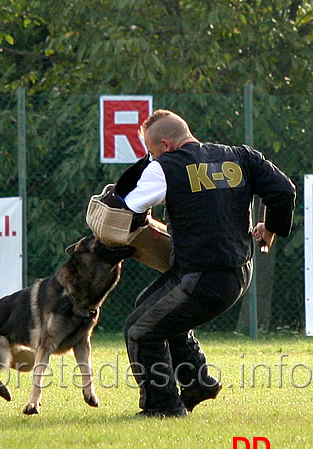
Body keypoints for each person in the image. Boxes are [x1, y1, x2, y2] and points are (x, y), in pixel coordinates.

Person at [118, 109, 295, 417]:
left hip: (200, 277)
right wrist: (270, 227)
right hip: (239, 272)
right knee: (150, 304)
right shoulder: (241, 156)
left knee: (140, 329)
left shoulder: (166, 166)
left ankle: (163, 407)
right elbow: (283, 191)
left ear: (166, 145)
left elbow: (131, 206)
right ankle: (198, 382)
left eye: (152, 151)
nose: (152, 158)